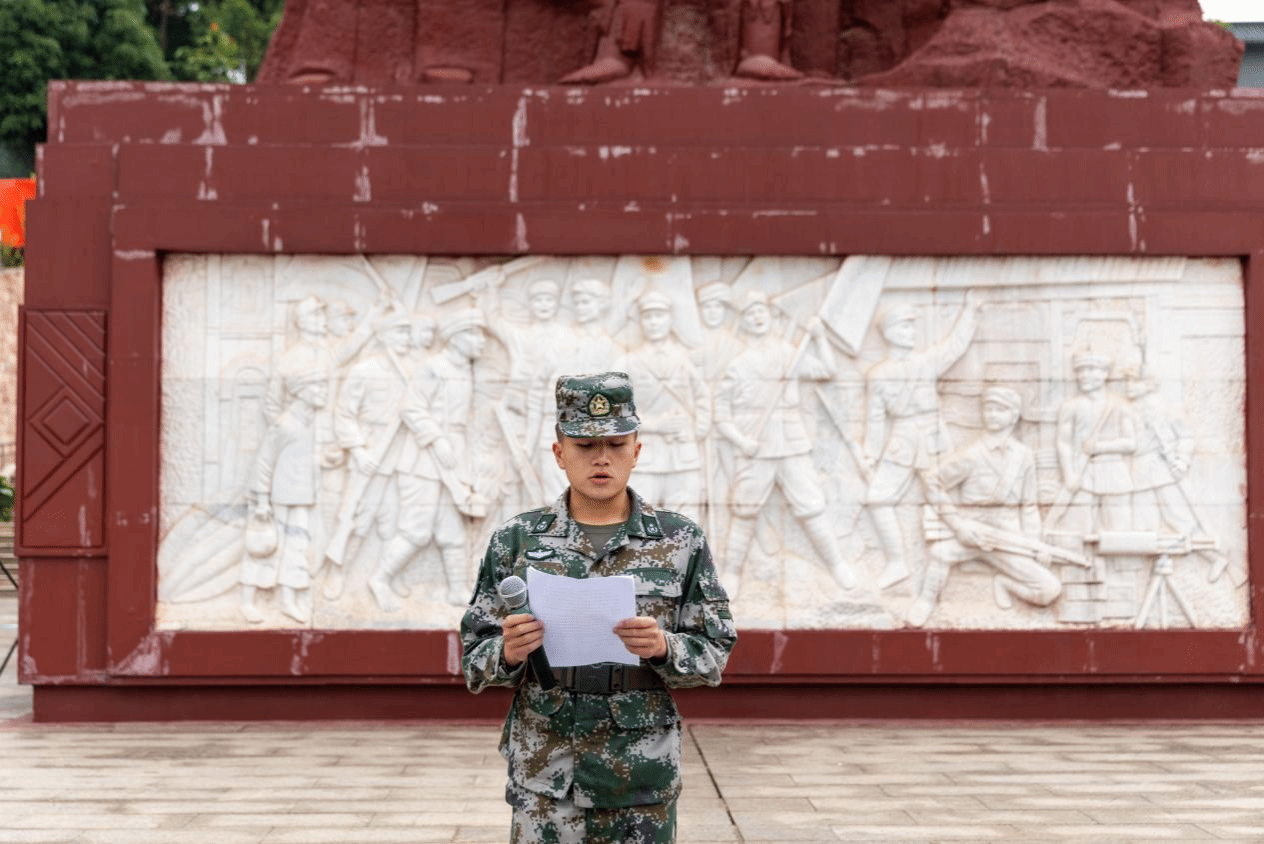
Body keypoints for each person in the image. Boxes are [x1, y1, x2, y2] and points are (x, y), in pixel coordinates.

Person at [461, 371, 736, 844]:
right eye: (585, 446)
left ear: (637, 450)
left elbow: (715, 651)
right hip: (546, 772)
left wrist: (665, 647)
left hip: (640, 769)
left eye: (615, 443)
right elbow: (472, 657)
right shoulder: (517, 540)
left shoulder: (680, 540)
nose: (601, 458)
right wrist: (506, 653)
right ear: (559, 453)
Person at [714, 291, 856, 597]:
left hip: (791, 443)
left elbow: (827, 370)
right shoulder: (738, 365)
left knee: (812, 507)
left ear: (770, 315)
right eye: (750, 313)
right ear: (744, 322)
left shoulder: (789, 354)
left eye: (761, 310)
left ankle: (837, 564)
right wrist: (742, 440)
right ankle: (733, 572)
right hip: (756, 446)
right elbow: (720, 415)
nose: (757, 317)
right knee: (744, 510)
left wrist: (819, 338)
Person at [908, 386, 1061, 627]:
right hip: (972, 534)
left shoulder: (1024, 455)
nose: (991, 414)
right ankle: (926, 601)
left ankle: (1005, 584)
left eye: (999, 410)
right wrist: (957, 526)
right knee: (939, 553)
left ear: (1013, 415)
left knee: (1050, 589)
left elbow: (1029, 505)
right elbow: (932, 481)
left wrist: (1035, 544)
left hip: (1007, 539)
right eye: (987, 408)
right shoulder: (972, 454)